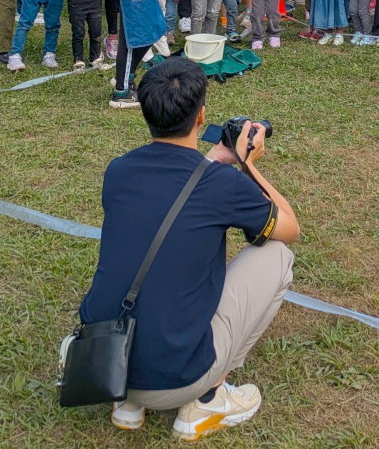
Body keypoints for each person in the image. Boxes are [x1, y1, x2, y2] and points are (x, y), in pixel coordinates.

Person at [78, 57, 298, 437]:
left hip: (106, 359)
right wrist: (248, 164)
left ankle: (128, 404)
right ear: (201, 117)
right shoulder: (222, 185)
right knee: (279, 254)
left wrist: (213, 161)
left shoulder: (118, 170)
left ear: (146, 113)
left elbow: (169, 197)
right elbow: (289, 227)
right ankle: (208, 399)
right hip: (176, 377)